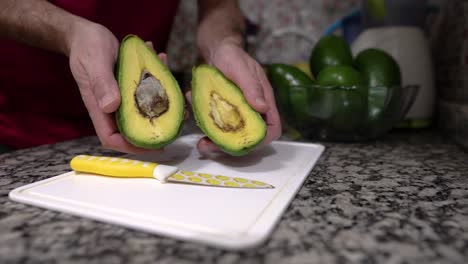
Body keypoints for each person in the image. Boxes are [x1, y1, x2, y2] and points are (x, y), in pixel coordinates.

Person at [0, 0, 281, 154]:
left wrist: (224, 44)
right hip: (21, 126)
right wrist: (69, 32)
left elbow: (218, 5)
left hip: (153, 148)